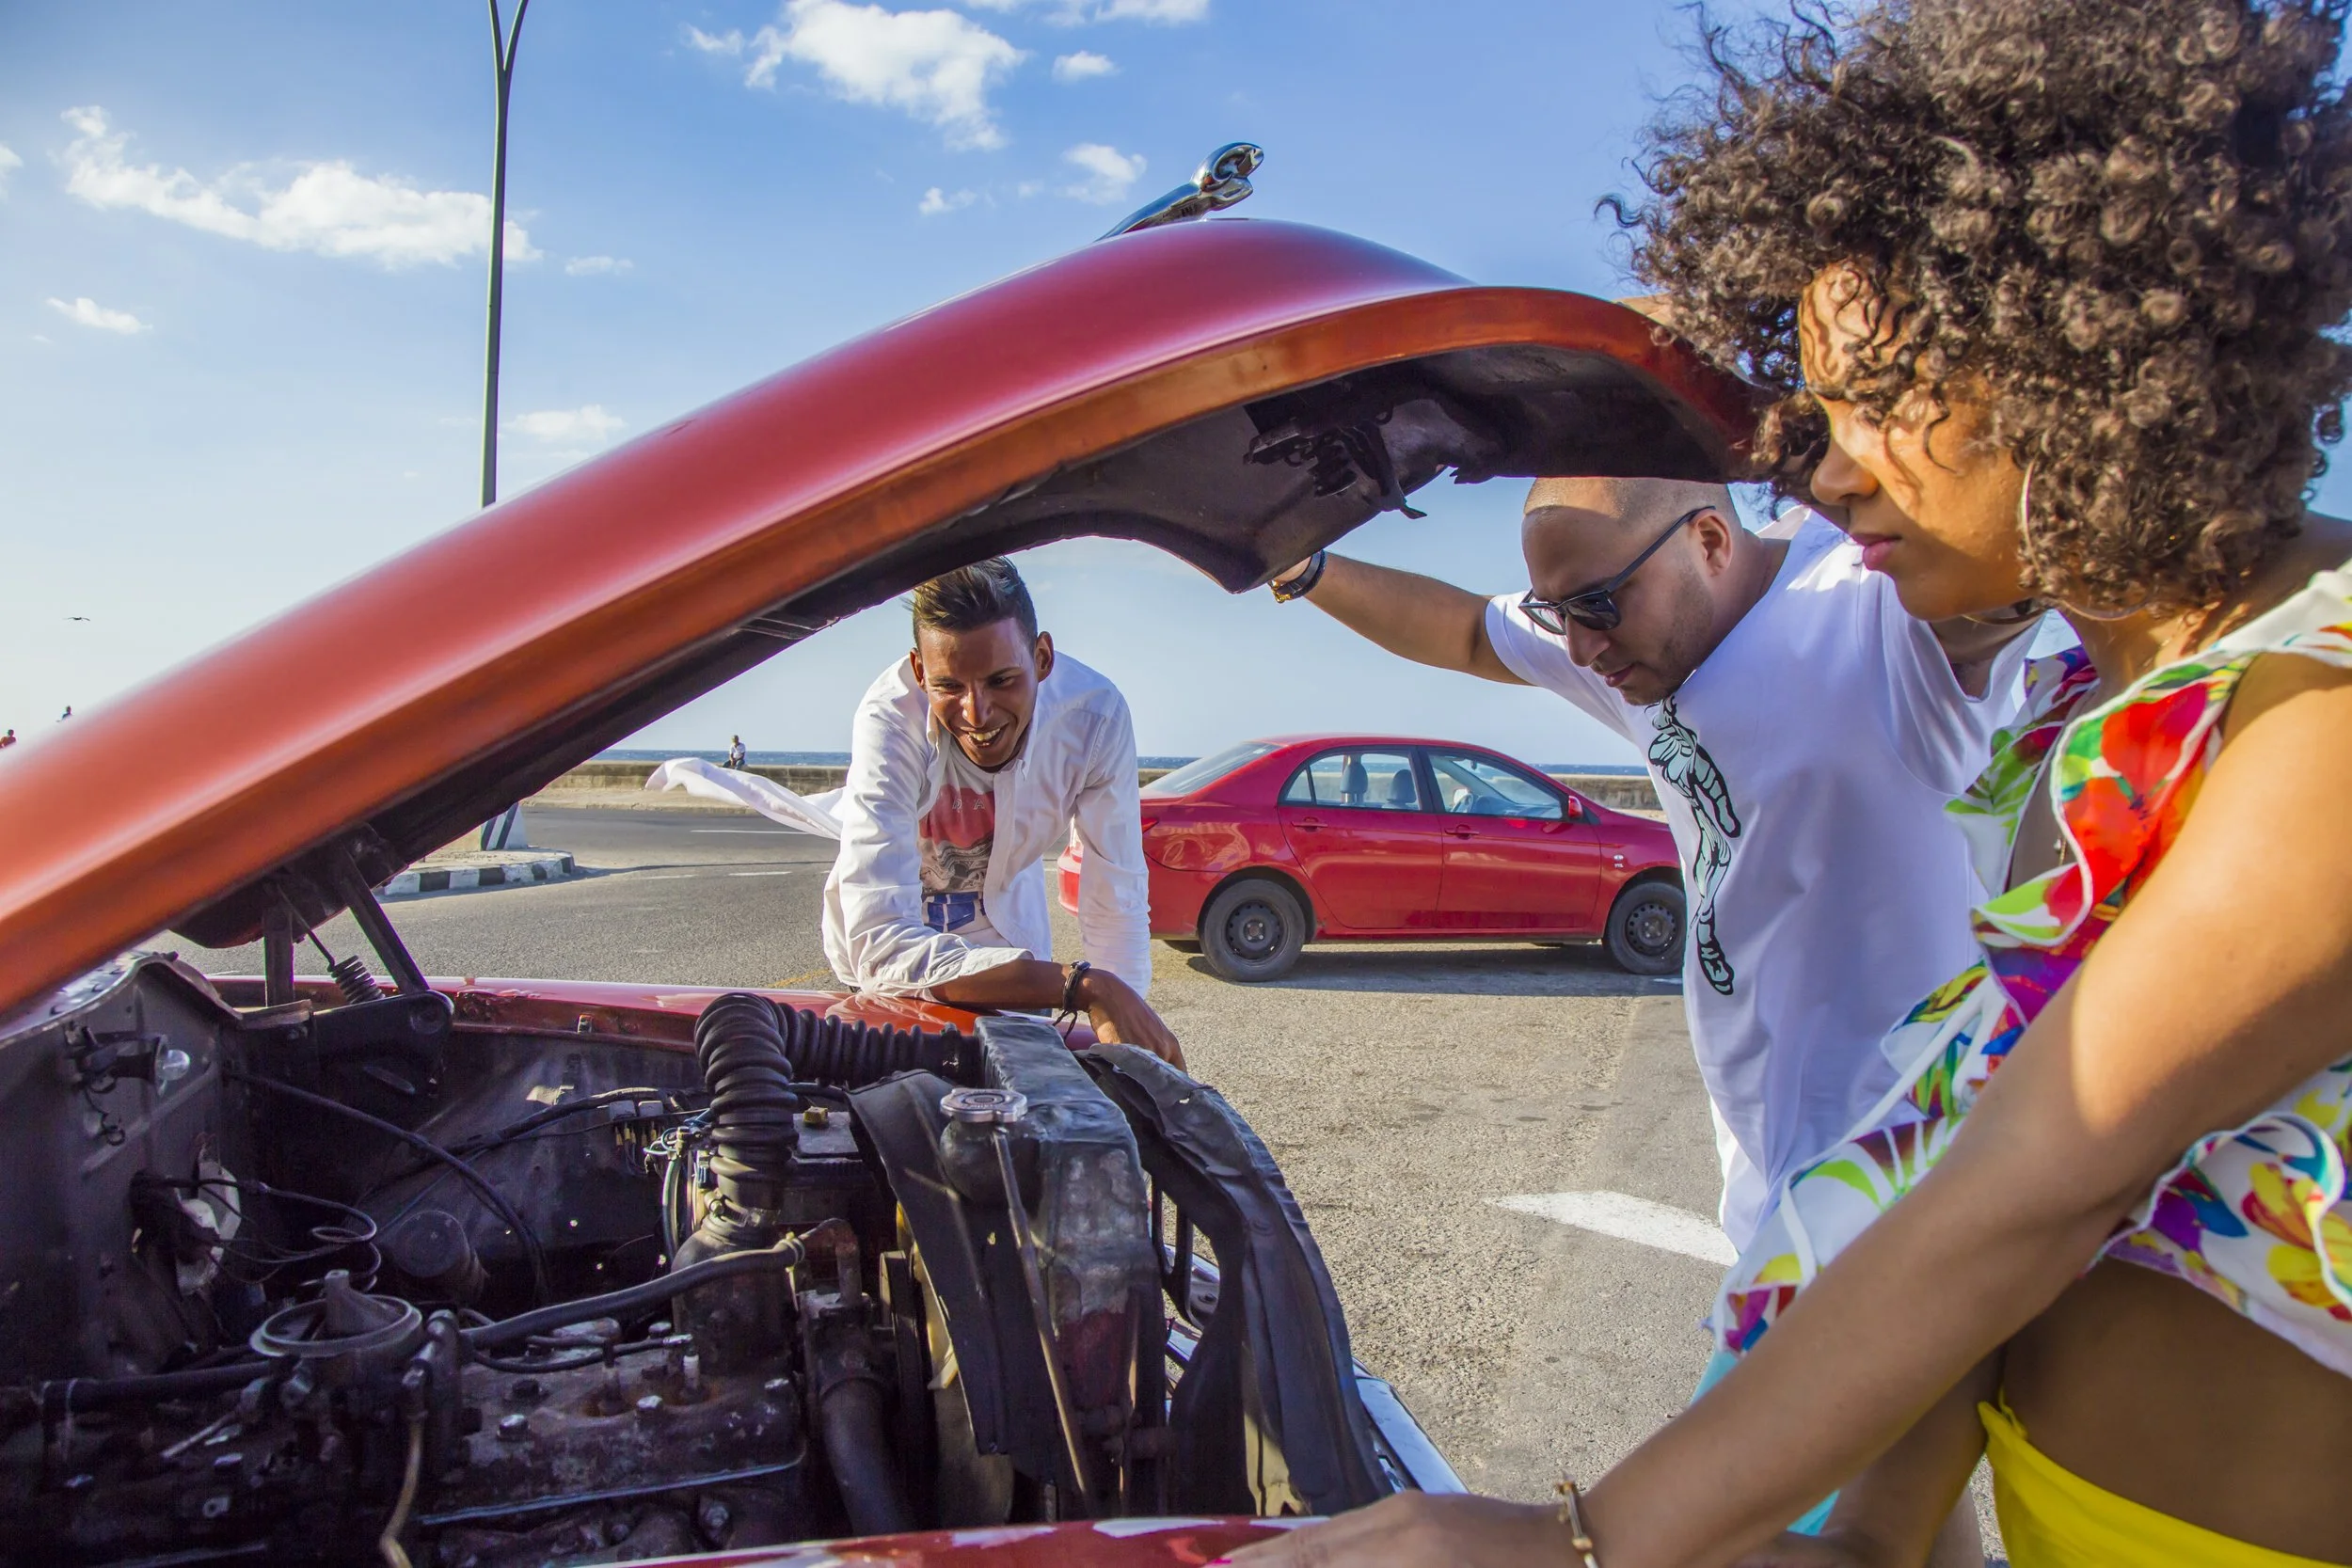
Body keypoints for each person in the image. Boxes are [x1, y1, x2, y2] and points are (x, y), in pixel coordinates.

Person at [1231, 2, 2352, 1565]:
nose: (1826, 473)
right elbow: (2001, 1215)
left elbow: (2035, 1184)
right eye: (1815, 416)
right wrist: (1858, 1541)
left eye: (1877, 397)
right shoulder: (2108, 718)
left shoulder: (2324, 725)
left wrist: (1578, 1544)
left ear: (2087, 346)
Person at [1268, 476, 2032, 1255]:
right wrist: (1302, 567)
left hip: (1918, 1184)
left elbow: (2013, 547)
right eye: (1555, 613)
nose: (1578, 646)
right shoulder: (1636, 658)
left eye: (1597, 605)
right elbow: (1467, 631)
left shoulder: (1873, 607)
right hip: (1768, 1180)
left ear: (1710, 541)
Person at [823, 558, 1182, 1065]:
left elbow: (1115, 898)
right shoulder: (889, 721)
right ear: (920, 671)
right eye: (949, 687)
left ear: (1042, 658)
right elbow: (880, 944)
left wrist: (1130, 1041)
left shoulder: (1095, 718)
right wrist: (1082, 986)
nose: (977, 713)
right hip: (894, 961)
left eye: (1001, 680)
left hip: (1011, 949)